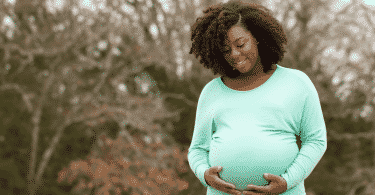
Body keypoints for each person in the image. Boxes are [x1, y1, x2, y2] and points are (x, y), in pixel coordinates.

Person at [187, 0, 328, 194]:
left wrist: (287, 182)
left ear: (258, 37)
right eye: (226, 50)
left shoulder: (297, 82)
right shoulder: (211, 92)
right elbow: (197, 150)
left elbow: (316, 140)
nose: (235, 54)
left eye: (240, 44)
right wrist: (205, 176)